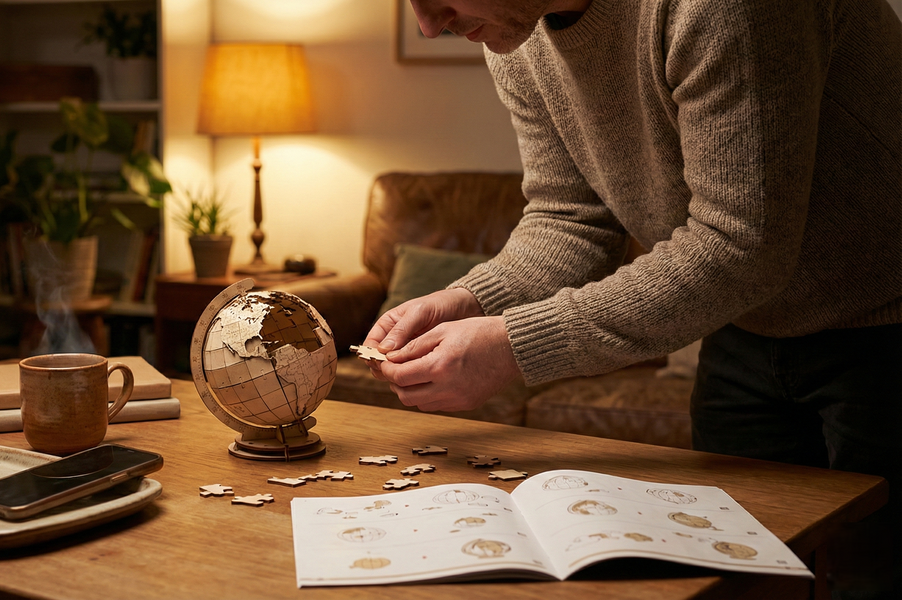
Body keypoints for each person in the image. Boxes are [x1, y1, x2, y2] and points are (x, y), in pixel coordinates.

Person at [366, 1, 901, 596]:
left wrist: (515, 346)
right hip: (742, 327)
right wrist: (473, 300)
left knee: (874, 579)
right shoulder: (516, 35)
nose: (428, 25)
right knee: (733, 583)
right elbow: (570, 218)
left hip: (887, 323)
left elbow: (740, 246)